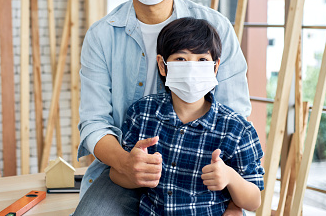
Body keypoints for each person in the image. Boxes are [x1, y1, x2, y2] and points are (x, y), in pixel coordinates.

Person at [74, 0, 251, 215]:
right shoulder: (102, 36)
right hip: (124, 169)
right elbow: (94, 122)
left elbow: (237, 116)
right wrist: (125, 162)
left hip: (200, 171)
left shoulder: (216, 27)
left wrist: (235, 203)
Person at [112, 17, 264, 215]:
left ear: (215, 67)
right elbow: (117, 174)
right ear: (162, 65)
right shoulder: (142, 114)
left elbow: (253, 201)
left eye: (202, 60)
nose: (192, 67)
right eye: (181, 59)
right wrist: (134, 174)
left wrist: (230, 177)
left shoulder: (237, 129)